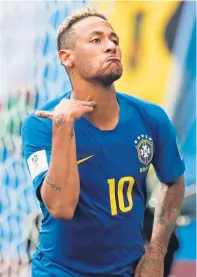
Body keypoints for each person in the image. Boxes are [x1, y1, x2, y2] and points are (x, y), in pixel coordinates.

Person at [21, 7, 185, 277]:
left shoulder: (151, 118)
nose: (111, 46)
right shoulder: (41, 125)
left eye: (114, 40)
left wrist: (156, 253)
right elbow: (61, 207)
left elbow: (174, 181)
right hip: (58, 271)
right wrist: (63, 127)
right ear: (67, 57)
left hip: (126, 271)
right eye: (96, 40)